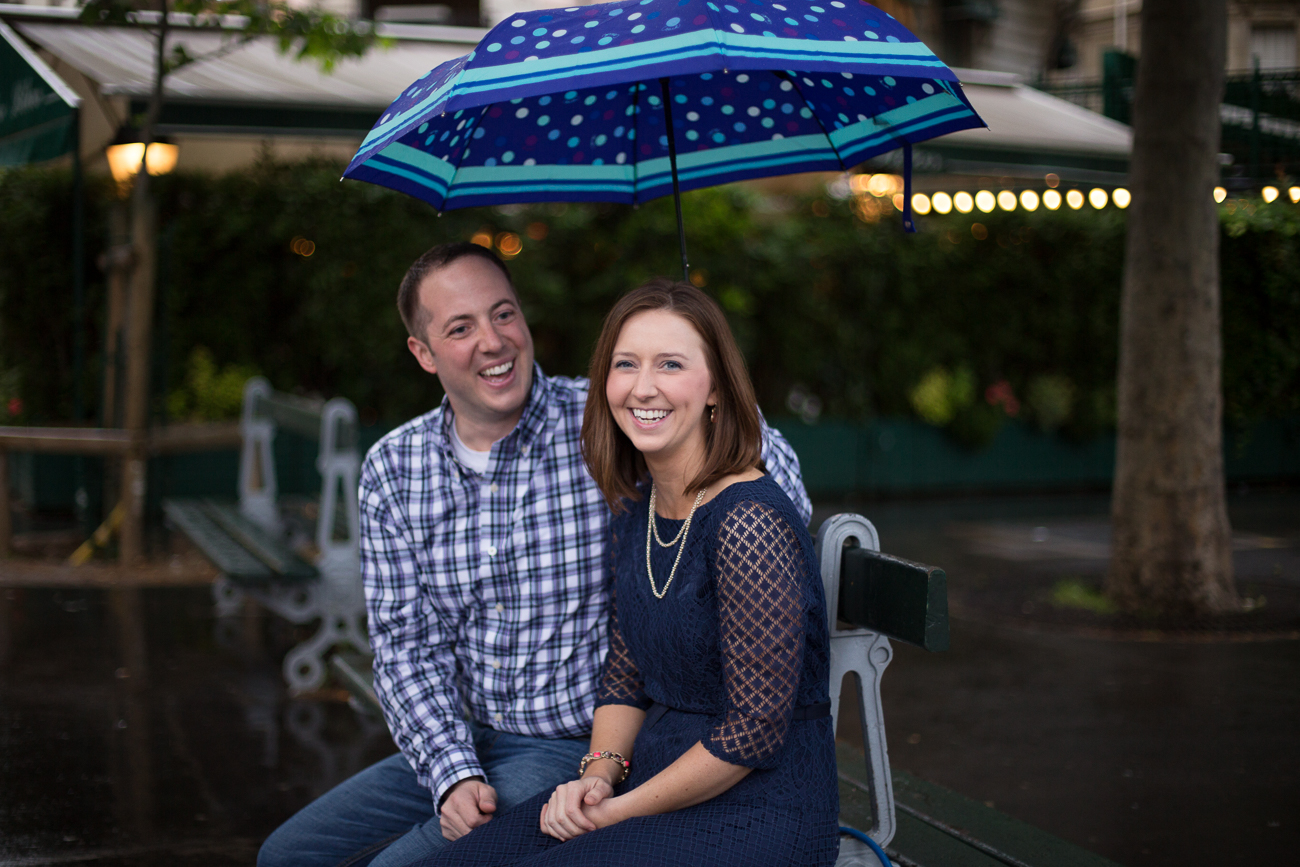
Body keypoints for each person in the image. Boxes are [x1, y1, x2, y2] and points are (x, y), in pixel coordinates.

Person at [258, 245, 811, 867]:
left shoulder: (608, 417)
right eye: (460, 328)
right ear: (423, 353)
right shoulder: (395, 467)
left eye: (503, 315)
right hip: (469, 738)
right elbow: (405, 647)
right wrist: (452, 772)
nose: (493, 342)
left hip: (577, 741)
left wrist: (692, 382)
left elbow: (766, 482)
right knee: (286, 856)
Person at [409, 279, 839, 867]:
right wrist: (599, 775)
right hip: (657, 781)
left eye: (671, 364)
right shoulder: (644, 507)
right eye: (626, 364)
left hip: (762, 806)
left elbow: (755, 730)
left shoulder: (747, 521)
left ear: (715, 387)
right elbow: (626, 669)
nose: (643, 387)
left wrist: (612, 812)